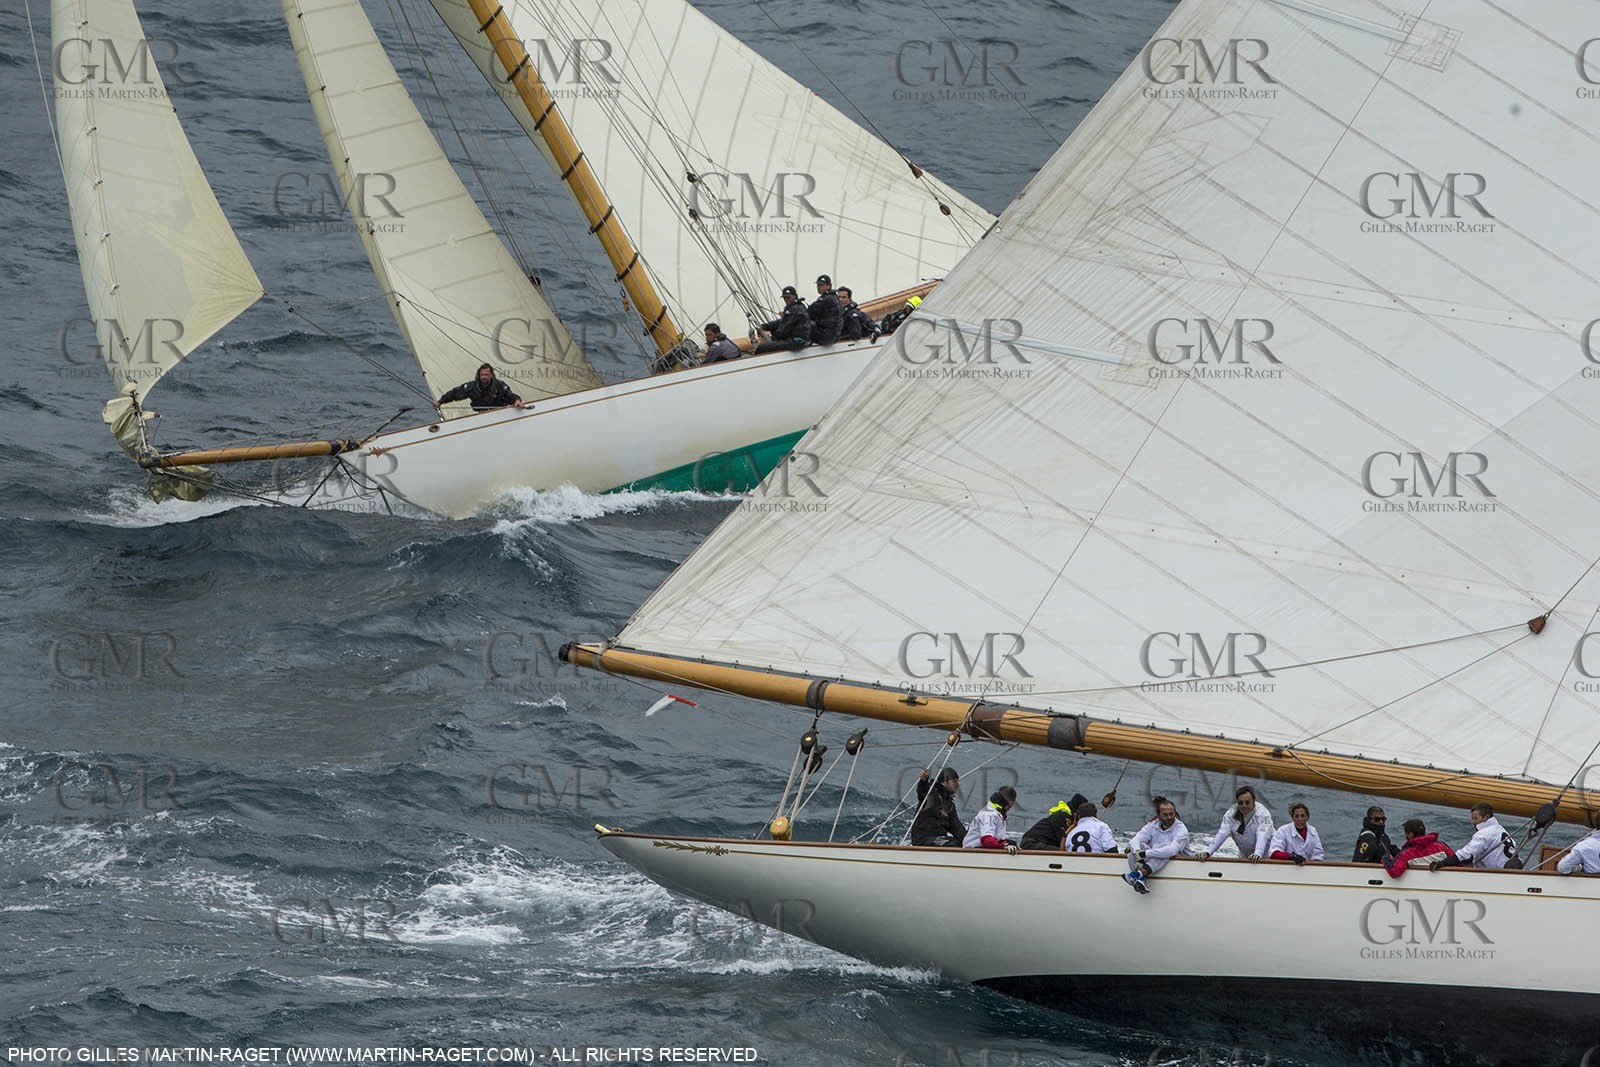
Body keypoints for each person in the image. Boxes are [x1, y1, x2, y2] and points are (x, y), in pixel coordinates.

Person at [1123, 796, 1189, 894]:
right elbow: (1135, 840)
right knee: (1133, 849)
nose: (1169, 817)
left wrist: (1145, 854)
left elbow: (1172, 850)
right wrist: (1137, 852)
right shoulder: (1152, 825)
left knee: (1164, 850)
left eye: (1171, 814)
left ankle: (1137, 875)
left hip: (1182, 864)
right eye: (1165, 815)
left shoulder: (1181, 829)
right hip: (1154, 863)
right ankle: (1140, 879)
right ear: (1158, 815)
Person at [1432, 802, 1521, 870]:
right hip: (1511, 872)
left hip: (1497, 876)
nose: (1473, 822)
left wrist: (1443, 863)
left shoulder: (1484, 833)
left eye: (1475, 819)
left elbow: (1466, 853)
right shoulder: (1501, 830)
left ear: (1485, 817)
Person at [1197, 785, 1272, 862]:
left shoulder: (1263, 814)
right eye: (1240, 803)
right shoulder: (1231, 814)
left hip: (1268, 858)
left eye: (1247, 802)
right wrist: (1208, 852)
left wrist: (1258, 853)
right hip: (1245, 858)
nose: (1244, 806)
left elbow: (1262, 835)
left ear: (1253, 802)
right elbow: (1222, 834)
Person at [436, 362, 524, 412]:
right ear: (479, 375)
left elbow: (510, 394)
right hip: (482, 416)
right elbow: (454, 393)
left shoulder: (499, 385)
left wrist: (517, 401)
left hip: (500, 413)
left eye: (486, 374)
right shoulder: (471, 387)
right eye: (482, 375)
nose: (484, 377)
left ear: (491, 375)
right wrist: (440, 402)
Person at [910, 767, 964, 847]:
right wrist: (924, 781)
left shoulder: (950, 804)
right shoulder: (932, 793)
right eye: (954, 781)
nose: (957, 784)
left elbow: (956, 827)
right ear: (945, 782)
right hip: (923, 839)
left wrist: (971, 841)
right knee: (952, 845)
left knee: (961, 843)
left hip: (939, 839)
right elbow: (923, 791)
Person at [1385, 818, 1454, 877]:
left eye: (1406, 833)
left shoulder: (1406, 854)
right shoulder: (1441, 846)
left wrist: (1386, 858)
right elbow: (1455, 860)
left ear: (1410, 834)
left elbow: (1394, 872)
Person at [755, 286, 812, 353]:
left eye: (788, 297)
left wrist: (772, 336)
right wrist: (766, 326)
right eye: (784, 298)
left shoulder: (795, 309)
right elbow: (782, 321)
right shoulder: (795, 307)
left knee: (762, 347)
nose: (786, 300)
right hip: (795, 339)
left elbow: (785, 328)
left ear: (795, 296)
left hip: (798, 341)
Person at [963, 786, 1019, 852]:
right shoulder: (989, 814)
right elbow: (986, 840)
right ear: (1004, 802)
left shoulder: (997, 814)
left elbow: (997, 838)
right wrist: (1004, 845)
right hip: (973, 851)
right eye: (1009, 806)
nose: (1009, 809)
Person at [808, 275, 843, 345]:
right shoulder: (833, 297)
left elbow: (810, 312)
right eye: (818, 285)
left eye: (821, 285)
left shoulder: (827, 299)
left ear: (828, 286)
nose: (818, 287)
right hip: (833, 335)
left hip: (827, 336)